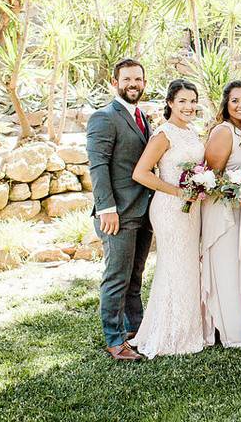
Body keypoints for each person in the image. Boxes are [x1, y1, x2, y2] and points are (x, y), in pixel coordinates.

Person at [129, 79, 206, 358]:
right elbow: (141, 173)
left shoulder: (193, 132)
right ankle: (168, 334)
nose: (189, 106)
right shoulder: (164, 134)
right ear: (170, 103)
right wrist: (177, 191)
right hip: (170, 208)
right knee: (174, 266)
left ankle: (188, 329)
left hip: (192, 208)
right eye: (182, 101)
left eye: (193, 101)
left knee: (188, 266)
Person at [86, 58, 154, 361]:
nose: (133, 85)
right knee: (117, 277)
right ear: (115, 83)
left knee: (135, 276)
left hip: (143, 211)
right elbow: (98, 166)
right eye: (127, 79)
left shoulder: (142, 116)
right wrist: (106, 209)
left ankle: (133, 329)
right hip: (118, 214)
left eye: (138, 79)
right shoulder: (104, 117)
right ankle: (114, 340)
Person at [200, 81, 241, 348]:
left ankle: (240, 321)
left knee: (240, 265)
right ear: (226, 103)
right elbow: (211, 178)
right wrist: (238, 190)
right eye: (235, 100)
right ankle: (228, 327)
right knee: (225, 266)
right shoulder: (224, 132)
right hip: (223, 210)